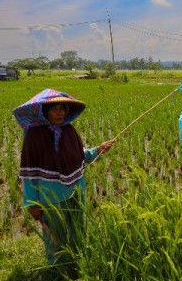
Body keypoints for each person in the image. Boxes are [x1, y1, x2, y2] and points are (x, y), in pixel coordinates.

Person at [12, 89, 113, 265]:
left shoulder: (69, 130)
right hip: (52, 195)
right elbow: (29, 172)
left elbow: (79, 155)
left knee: (78, 227)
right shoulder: (34, 137)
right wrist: (31, 203)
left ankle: (80, 256)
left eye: (62, 109)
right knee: (54, 234)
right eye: (54, 109)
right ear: (45, 112)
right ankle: (56, 265)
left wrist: (99, 149)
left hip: (76, 190)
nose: (60, 113)